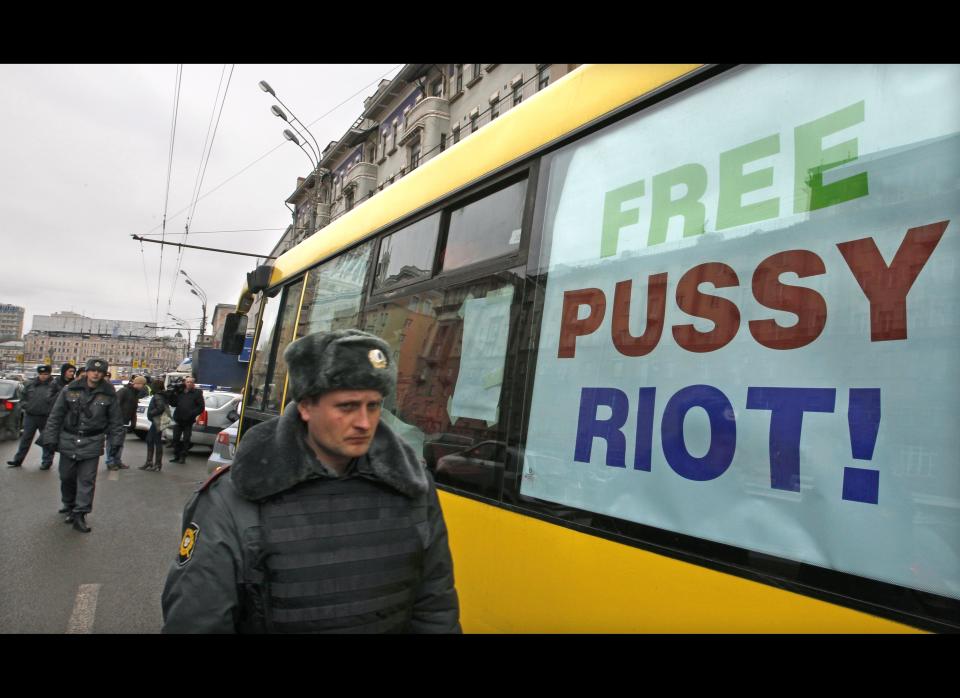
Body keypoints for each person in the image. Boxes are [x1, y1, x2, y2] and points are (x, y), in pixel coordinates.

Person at [161, 329, 460, 633]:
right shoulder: (234, 497)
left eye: (373, 406)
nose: (364, 422)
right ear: (305, 406)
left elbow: (435, 608)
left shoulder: (412, 485)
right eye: (347, 406)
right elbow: (197, 621)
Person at [41, 358, 124, 534]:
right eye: (93, 370)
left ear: (103, 374)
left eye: (100, 372)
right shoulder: (69, 389)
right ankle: (69, 505)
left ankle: (80, 513)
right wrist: (50, 438)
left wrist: (116, 442)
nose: (96, 374)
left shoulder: (109, 394)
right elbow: (56, 415)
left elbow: (116, 421)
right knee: (66, 476)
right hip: (68, 439)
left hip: (92, 441)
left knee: (86, 480)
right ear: (86, 371)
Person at [7, 365, 59, 470]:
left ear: (49, 374)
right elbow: (22, 396)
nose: (43, 376)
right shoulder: (30, 384)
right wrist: (26, 406)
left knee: (46, 440)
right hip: (31, 416)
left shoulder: (55, 385)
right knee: (25, 439)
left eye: (45, 374)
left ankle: (47, 461)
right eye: (41, 374)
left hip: (47, 417)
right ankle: (18, 460)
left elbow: (58, 401)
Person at [108, 376, 145, 470]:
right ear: (136, 383)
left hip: (124, 422)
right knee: (113, 443)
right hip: (117, 422)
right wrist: (115, 419)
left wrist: (133, 421)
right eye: (141, 384)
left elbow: (133, 409)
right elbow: (115, 405)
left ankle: (117, 461)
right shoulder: (124, 391)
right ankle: (110, 462)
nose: (142, 386)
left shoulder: (134, 393)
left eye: (143, 384)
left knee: (119, 443)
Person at [168, 376, 204, 464]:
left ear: (193, 384)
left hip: (188, 420)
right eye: (187, 382)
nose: (189, 384)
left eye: (191, 382)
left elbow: (201, 407)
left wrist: (192, 414)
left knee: (186, 439)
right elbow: (173, 404)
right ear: (185, 383)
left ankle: (183, 457)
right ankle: (176, 456)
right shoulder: (180, 392)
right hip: (178, 419)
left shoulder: (197, 393)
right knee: (175, 439)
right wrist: (172, 394)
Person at [140, 379, 168, 472]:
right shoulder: (161, 395)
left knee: (156, 441)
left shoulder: (157, 396)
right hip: (160, 420)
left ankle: (156, 463)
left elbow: (160, 407)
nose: (151, 386)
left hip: (158, 420)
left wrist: (151, 413)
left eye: (153, 385)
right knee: (150, 440)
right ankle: (150, 462)